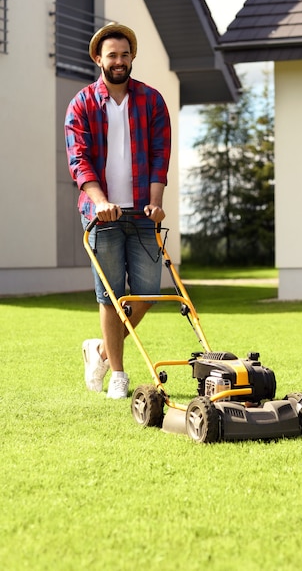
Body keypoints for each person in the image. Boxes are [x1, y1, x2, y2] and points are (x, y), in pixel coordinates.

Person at [65, 22, 171, 399]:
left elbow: (160, 156)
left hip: (143, 214)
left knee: (146, 294)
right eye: (112, 55)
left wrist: (156, 202)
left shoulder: (151, 100)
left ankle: (100, 351)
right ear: (99, 59)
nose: (120, 61)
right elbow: (79, 160)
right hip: (101, 216)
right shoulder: (81, 104)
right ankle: (119, 375)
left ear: (132, 57)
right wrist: (100, 200)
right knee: (111, 297)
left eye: (125, 55)